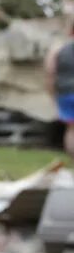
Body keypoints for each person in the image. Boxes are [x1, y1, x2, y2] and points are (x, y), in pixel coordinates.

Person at [44, 19, 74, 156]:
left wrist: (52, 95)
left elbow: (50, 73)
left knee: (71, 129)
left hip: (65, 93)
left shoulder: (58, 50)